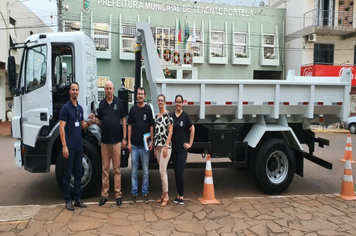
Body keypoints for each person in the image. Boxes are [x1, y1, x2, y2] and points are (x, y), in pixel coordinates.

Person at [89, 81, 127, 206]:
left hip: (116, 142)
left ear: (113, 89)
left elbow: (123, 120)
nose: (109, 90)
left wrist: (125, 138)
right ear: (104, 90)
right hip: (104, 142)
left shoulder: (118, 102)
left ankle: (118, 195)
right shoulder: (102, 104)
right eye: (107, 88)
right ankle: (104, 195)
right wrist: (93, 120)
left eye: (110, 88)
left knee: (117, 170)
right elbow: (100, 121)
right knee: (105, 169)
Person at [59, 82, 91, 211]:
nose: (75, 92)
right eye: (73, 90)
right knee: (67, 175)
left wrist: (90, 122)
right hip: (69, 147)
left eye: (77, 90)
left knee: (78, 173)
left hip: (79, 147)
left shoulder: (80, 108)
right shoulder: (65, 109)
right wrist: (64, 146)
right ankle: (68, 200)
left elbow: (82, 124)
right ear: (69, 91)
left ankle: (77, 199)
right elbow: (62, 127)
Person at [127, 87, 154, 204]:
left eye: (142, 94)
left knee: (145, 172)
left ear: (145, 95)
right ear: (136, 96)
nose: (140, 96)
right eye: (138, 94)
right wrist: (128, 141)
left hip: (145, 147)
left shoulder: (148, 109)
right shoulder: (132, 109)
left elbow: (152, 126)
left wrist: (152, 141)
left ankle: (145, 193)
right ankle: (134, 194)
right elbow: (129, 126)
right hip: (134, 146)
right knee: (133, 172)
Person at [171, 94, 195, 205]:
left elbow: (192, 129)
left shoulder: (185, 116)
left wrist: (190, 143)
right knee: (176, 173)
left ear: (182, 103)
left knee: (180, 172)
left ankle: (181, 196)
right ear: (174, 103)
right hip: (173, 150)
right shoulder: (171, 116)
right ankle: (177, 195)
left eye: (180, 102)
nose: (178, 104)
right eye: (177, 102)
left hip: (182, 150)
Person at [153, 94, 173, 207]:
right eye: (159, 100)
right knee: (161, 172)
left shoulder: (168, 115)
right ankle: (163, 194)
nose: (160, 102)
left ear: (164, 102)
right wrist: (155, 148)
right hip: (157, 147)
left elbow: (170, 131)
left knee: (162, 171)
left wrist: (166, 146)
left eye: (162, 100)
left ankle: (166, 196)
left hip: (166, 147)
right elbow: (155, 132)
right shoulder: (156, 116)